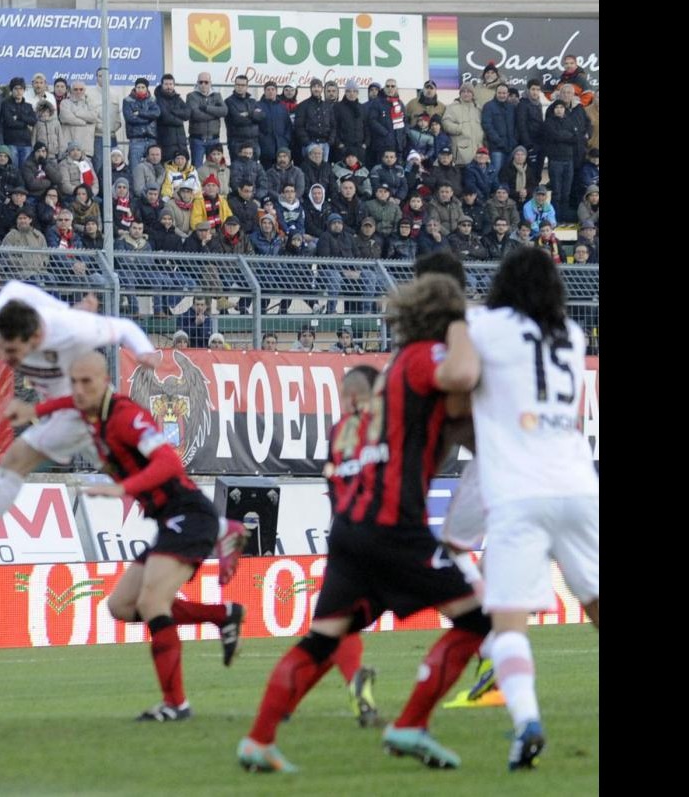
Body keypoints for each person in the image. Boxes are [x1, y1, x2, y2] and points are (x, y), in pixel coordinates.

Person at [237, 274, 493, 774]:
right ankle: (412, 723)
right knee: (477, 619)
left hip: (352, 529)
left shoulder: (397, 370)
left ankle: (259, 739)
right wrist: (465, 325)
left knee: (322, 639)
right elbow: (462, 377)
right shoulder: (424, 357)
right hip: (396, 527)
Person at [21, 351, 245, 721]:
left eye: (86, 382)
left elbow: (169, 462)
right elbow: (68, 403)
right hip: (169, 521)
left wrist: (123, 488)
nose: (78, 390)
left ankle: (176, 704)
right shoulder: (91, 413)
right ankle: (223, 615)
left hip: (188, 514)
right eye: (73, 382)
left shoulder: (126, 417)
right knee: (121, 607)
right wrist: (36, 411)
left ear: (105, 381)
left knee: (154, 602)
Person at [456, 246, 600, 769]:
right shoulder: (573, 337)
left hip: (519, 488)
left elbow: (460, 374)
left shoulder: (487, 326)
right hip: (580, 484)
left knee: (508, 621)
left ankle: (527, 723)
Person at [0, 282, 160, 571]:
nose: (6, 356)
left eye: (12, 350)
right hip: (66, 414)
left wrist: (145, 351)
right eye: (0, 345)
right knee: (137, 478)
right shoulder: (1, 316)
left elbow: (123, 326)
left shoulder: (70, 329)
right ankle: (192, 522)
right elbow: (16, 289)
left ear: (36, 337)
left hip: (83, 411)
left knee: (14, 463)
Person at [314, 366, 384, 729]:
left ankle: (280, 706)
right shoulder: (387, 430)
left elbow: (333, 481)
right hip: (390, 537)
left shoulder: (337, 433)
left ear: (351, 397)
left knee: (332, 624)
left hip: (348, 538)